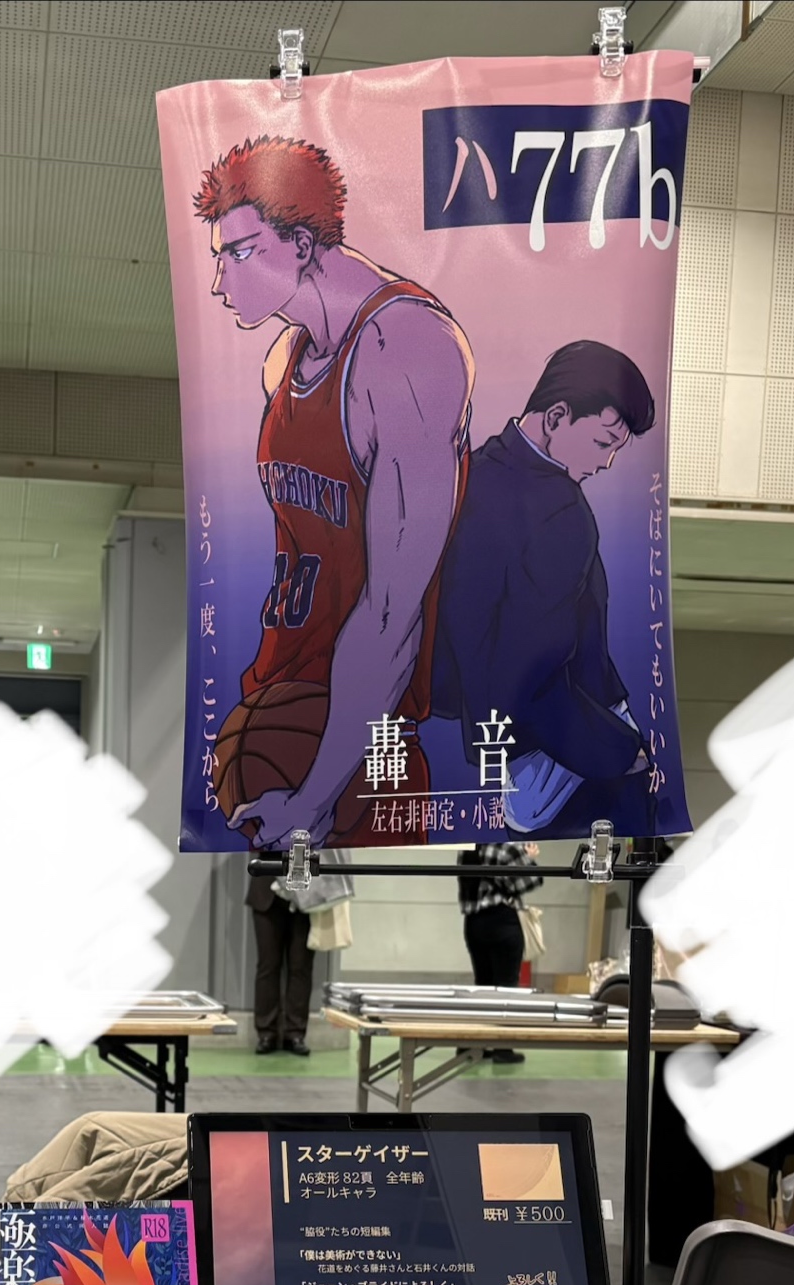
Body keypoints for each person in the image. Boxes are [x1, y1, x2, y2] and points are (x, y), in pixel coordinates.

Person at [192, 135, 474, 849]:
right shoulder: (284, 358)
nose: (221, 283)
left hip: (363, 730)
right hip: (279, 697)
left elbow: (392, 609)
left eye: (239, 253)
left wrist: (314, 796)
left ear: (301, 244)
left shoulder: (406, 348)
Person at [433, 340, 657, 838]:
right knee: (623, 866)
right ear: (556, 417)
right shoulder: (559, 512)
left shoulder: (470, 473)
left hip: (504, 735)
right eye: (602, 442)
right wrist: (616, 750)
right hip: (568, 742)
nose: (607, 463)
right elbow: (528, 664)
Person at [457, 841, 541, 1065]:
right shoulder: (506, 847)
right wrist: (529, 858)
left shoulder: (467, 849)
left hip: (473, 923)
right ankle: (503, 1048)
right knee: (506, 988)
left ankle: (472, 1044)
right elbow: (529, 881)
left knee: (482, 985)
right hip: (502, 920)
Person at [245, 870, 313, 1056]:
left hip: (305, 893)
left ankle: (295, 1034)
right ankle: (266, 1034)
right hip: (266, 892)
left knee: (301, 967)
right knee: (268, 966)